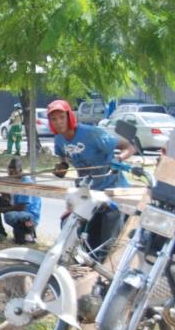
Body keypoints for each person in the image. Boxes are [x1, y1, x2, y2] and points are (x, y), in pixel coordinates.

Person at [48, 99, 135, 256]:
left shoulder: (92, 133)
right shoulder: (59, 140)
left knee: (105, 240)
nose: (59, 122)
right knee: (70, 226)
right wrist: (62, 167)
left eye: (61, 117)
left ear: (69, 116)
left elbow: (129, 146)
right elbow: (63, 158)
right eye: (54, 119)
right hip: (89, 193)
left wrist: (118, 160)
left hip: (111, 191)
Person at [0, 158, 41, 243]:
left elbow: (21, 207)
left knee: (9, 216)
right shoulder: (8, 179)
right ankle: (0, 232)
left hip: (29, 214)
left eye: (14, 168)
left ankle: (27, 232)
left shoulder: (25, 182)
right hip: (16, 209)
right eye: (9, 168)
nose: (11, 170)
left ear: (20, 170)